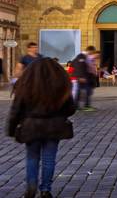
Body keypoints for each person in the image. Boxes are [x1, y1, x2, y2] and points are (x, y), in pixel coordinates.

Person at [7, 57, 76, 198]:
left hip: (31, 126)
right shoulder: (60, 84)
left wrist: (12, 127)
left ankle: (31, 186)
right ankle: (45, 190)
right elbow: (70, 109)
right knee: (49, 159)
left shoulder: (26, 84)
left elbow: (16, 109)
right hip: (53, 127)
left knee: (32, 158)